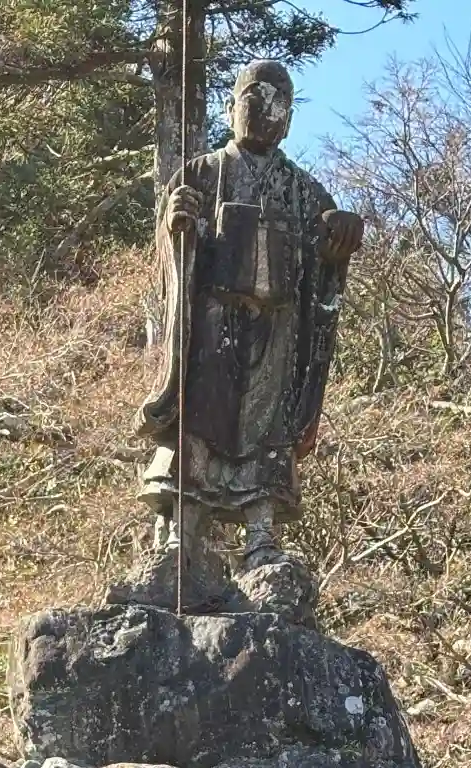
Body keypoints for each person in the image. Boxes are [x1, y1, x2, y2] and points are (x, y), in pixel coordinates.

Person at [132, 60, 363, 601]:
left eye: (280, 105)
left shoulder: (306, 192)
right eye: (254, 100)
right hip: (211, 323)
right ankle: (180, 533)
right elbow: (167, 261)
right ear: (231, 108)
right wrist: (178, 228)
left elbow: (323, 269)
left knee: (270, 424)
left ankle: (261, 534)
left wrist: (338, 243)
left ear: (290, 120)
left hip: (276, 327)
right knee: (199, 417)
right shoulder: (201, 173)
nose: (266, 113)